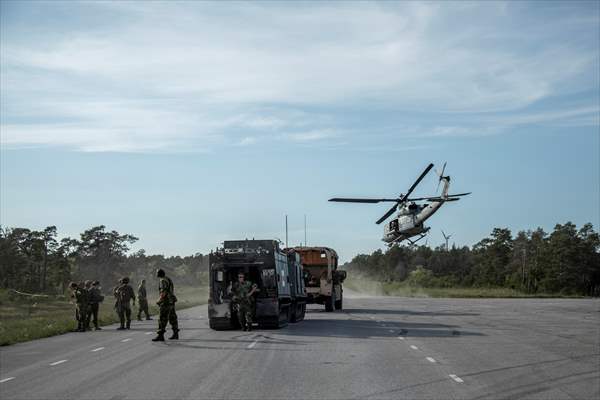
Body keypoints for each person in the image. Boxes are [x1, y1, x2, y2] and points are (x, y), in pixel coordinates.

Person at [152, 269, 178, 342]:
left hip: (166, 301)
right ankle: (175, 333)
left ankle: (160, 335)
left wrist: (159, 300)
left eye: (157, 273)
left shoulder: (162, 280)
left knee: (162, 318)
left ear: (159, 274)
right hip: (171, 301)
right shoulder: (168, 279)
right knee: (172, 317)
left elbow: (164, 291)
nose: (156, 274)